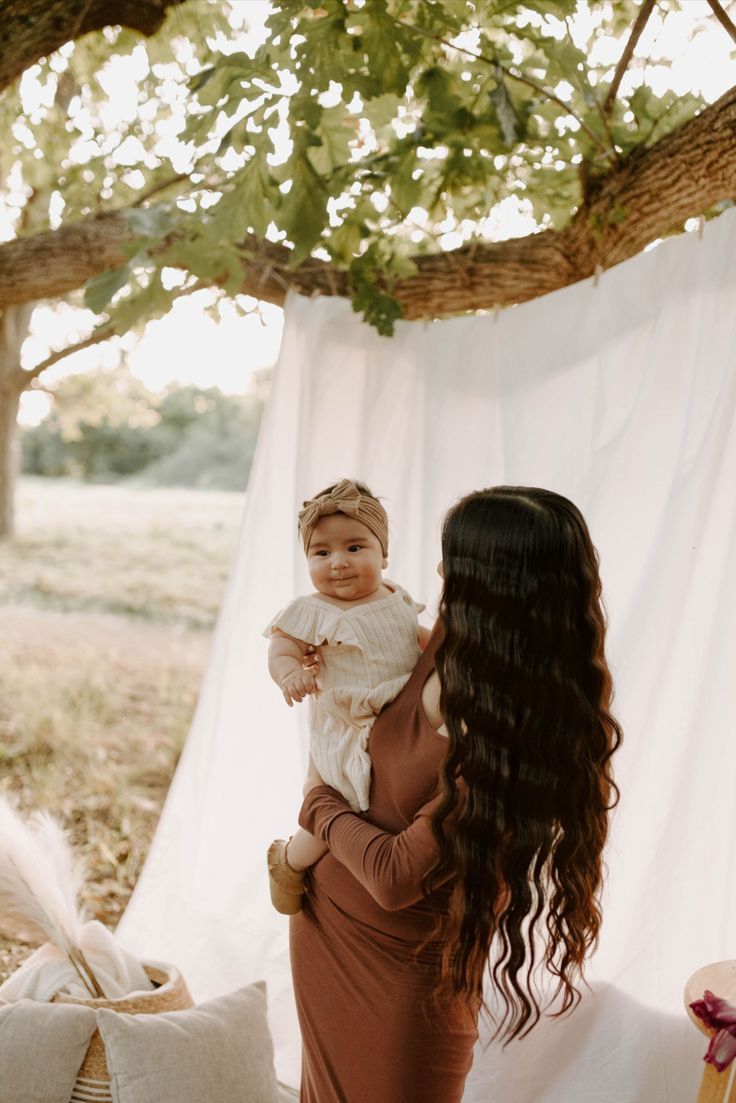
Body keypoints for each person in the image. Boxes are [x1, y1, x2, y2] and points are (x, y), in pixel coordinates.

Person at [289, 486, 623, 1103]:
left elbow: (395, 878)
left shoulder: (510, 729)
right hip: (328, 930)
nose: (439, 571)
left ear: (493, 582)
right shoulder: (452, 636)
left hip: (408, 974)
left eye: (454, 561)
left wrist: (315, 807)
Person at [264, 479, 427, 913]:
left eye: (355, 548)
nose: (338, 563)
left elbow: (414, 638)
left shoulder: (396, 597)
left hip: (401, 709)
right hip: (349, 719)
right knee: (341, 798)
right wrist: (290, 675)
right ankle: (289, 861)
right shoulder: (312, 610)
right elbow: (281, 648)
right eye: (322, 553)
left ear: (384, 553)